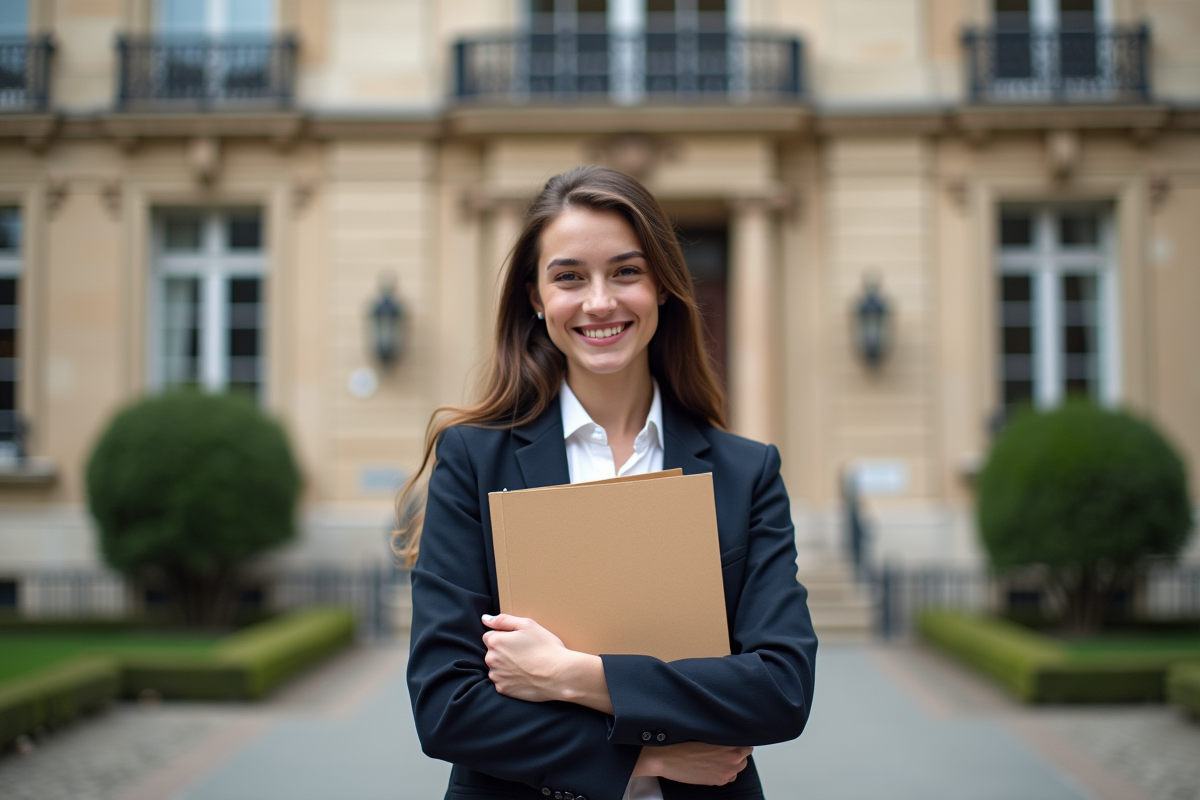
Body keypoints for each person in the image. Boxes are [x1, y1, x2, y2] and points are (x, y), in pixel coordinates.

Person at [402, 166, 817, 800]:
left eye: (626, 271)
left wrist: (572, 675)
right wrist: (644, 759)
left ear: (663, 288)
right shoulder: (473, 463)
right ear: (536, 299)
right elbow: (447, 705)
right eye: (569, 277)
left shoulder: (746, 473)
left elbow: (780, 688)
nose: (600, 301)